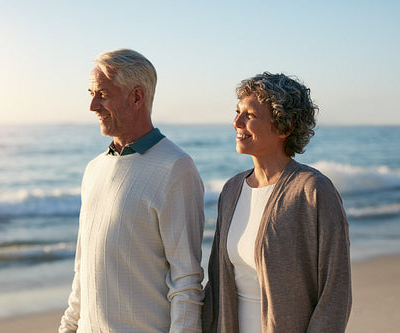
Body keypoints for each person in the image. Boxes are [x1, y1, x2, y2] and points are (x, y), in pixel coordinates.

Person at [59, 49, 205, 333]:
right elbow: (83, 269)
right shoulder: (94, 169)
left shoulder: (176, 168)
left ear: (136, 97)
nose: (92, 105)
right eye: (90, 93)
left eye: (102, 93)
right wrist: (67, 327)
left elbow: (186, 281)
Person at [202, 72, 352, 333]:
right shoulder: (231, 190)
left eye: (250, 115)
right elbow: (215, 285)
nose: (237, 122)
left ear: (285, 127)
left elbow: (335, 293)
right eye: (237, 112)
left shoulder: (312, 190)